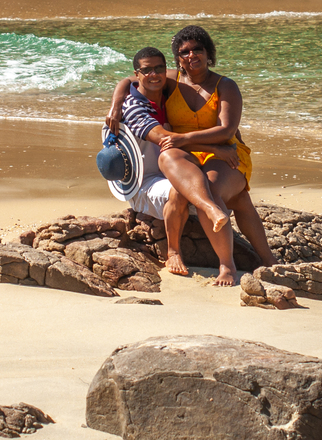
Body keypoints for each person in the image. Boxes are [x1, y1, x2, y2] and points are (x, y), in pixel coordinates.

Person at [109, 28, 276, 285]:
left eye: (197, 49)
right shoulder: (171, 80)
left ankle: (231, 265)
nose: (191, 55)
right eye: (184, 52)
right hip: (186, 152)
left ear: (208, 53)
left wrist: (183, 138)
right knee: (169, 159)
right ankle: (240, 255)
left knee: (214, 189)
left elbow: (227, 130)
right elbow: (130, 81)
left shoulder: (226, 85)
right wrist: (116, 105)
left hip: (227, 153)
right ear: (177, 58)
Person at [114, 46, 241, 282]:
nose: (154, 74)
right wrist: (216, 150)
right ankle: (173, 252)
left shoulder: (165, 97)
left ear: (167, 70)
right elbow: (165, 140)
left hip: (168, 170)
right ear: (137, 74)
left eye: (159, 68)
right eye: (147, 70)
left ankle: (232, 264)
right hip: (143, 183)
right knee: (181, 189)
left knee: (212, 185)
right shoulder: (134, 107)